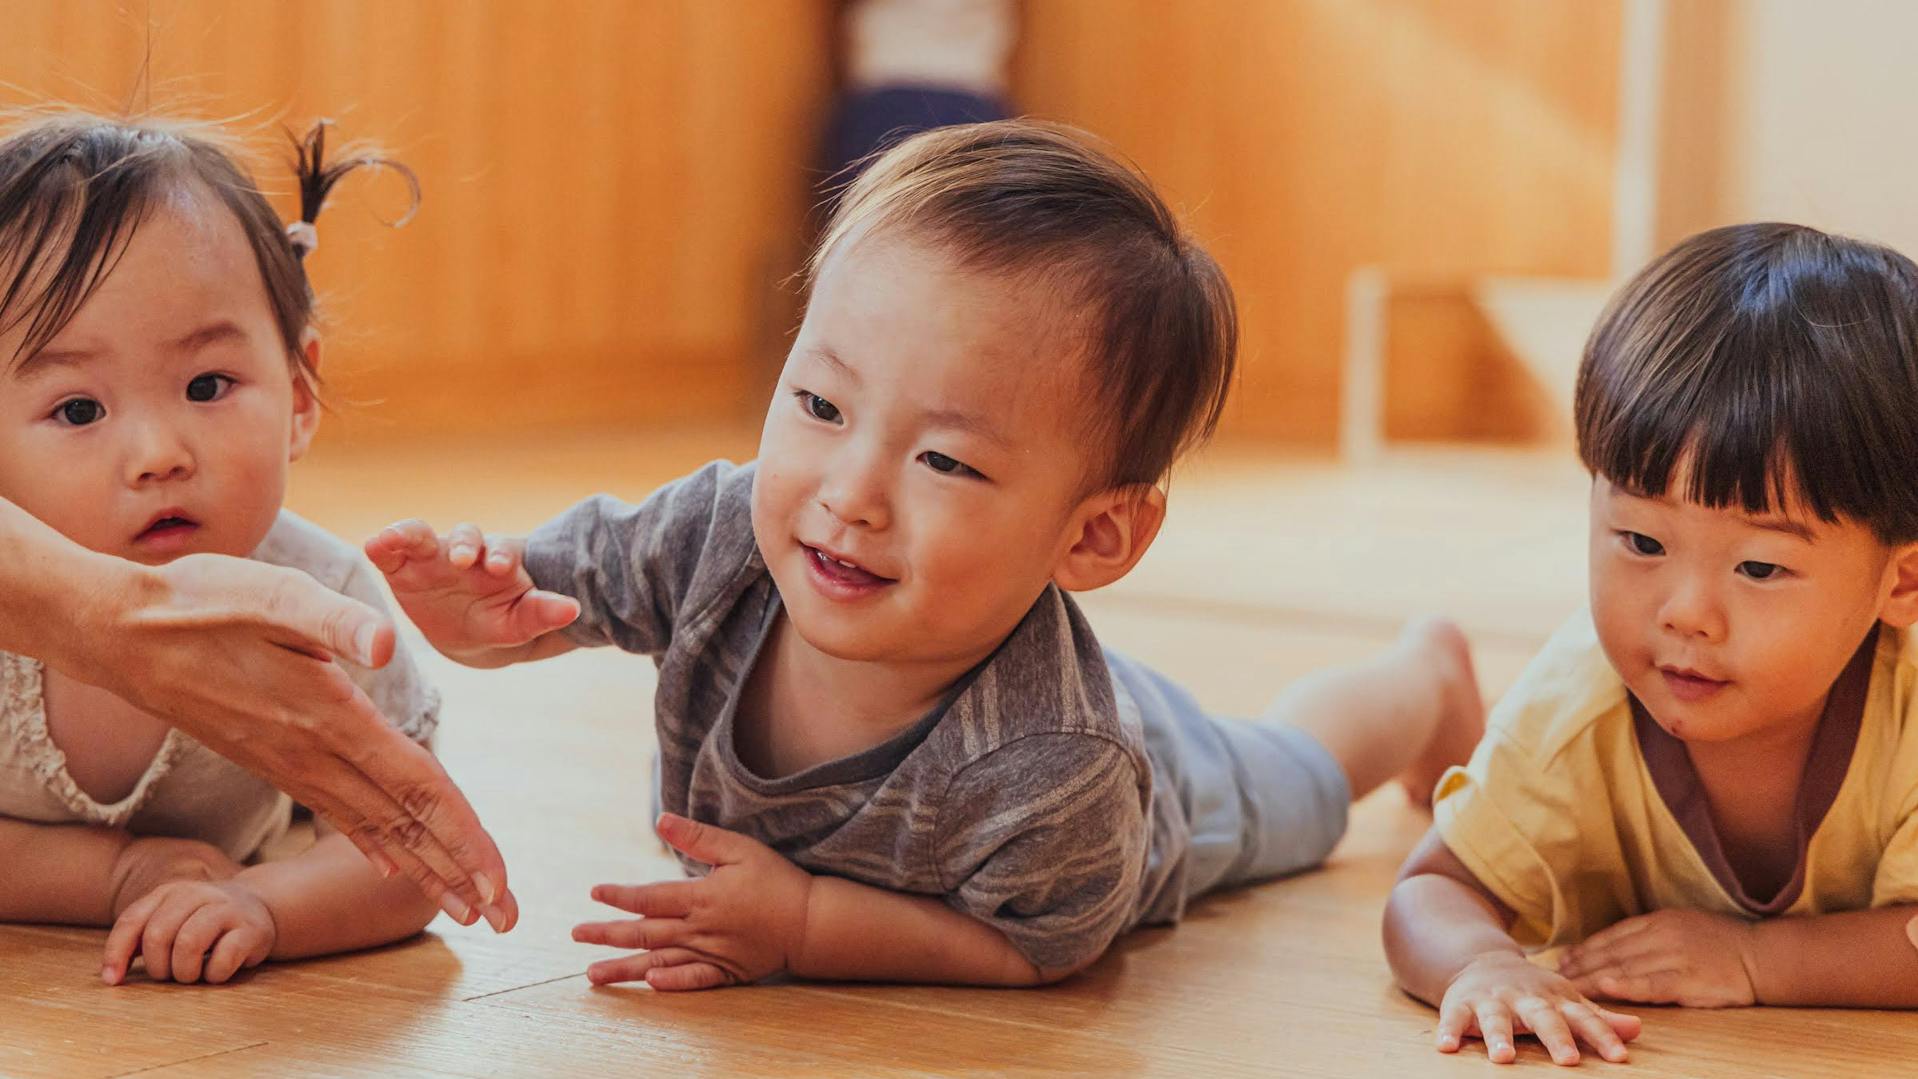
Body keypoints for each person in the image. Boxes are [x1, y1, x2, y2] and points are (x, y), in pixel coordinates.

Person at [367, 120, 1483, 990]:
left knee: (1289, 770)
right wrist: (485, 608)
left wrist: (802, 925)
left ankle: (1422, 681)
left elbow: (1042, 949)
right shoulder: (726, 532)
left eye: (944, 462)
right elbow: (568, 587)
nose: (848, 494)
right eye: (818, 402)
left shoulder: (1057, 768)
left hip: (1150, 780)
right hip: (1012, 632)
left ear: (1094, 534)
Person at [1384, 223, 1918, 1066]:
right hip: (1540, 755)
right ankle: (1434, 691)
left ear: (1903, 581)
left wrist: (1754, 958)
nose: (1685, 614)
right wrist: (1483, 962)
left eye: (1759, 565)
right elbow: (1431, 889)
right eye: (1640, 542)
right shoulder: (1573, 710)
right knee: (1501, 769)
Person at [0, 112, 514, 985]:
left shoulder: (324, 601)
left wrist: (267, 905)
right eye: (79, 410)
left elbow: (407, 859)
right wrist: (117, 875)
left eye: (209, 385)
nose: (160, 452)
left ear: (301, 394)